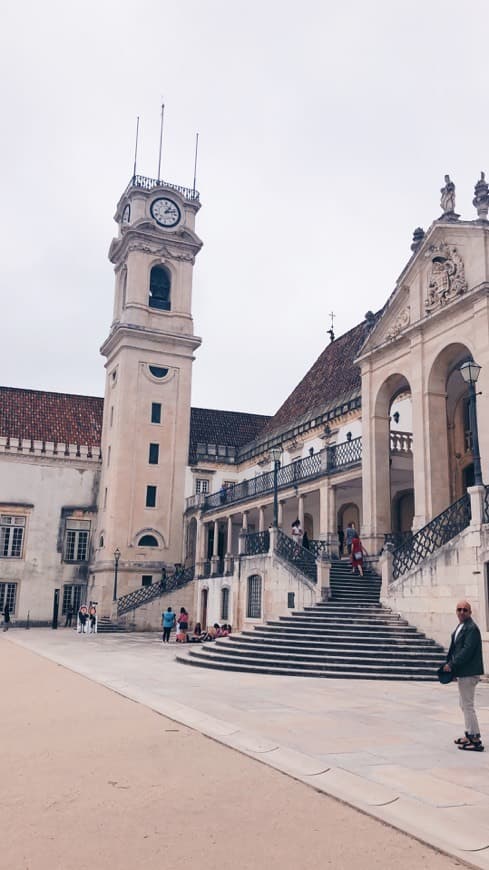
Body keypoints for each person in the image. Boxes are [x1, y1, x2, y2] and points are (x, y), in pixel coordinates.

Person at [443, 600, 484, 752]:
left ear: (470, 612)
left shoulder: (471, 628)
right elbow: (455, 648)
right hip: (463, 672)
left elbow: (466, 652)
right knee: (464, 704)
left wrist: (452, 665)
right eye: (459, 609)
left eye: (465, 610)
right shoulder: (461, 626)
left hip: (469, 672)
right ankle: (469, 734)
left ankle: (475, 739)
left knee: (467, 705)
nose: (461, 612)